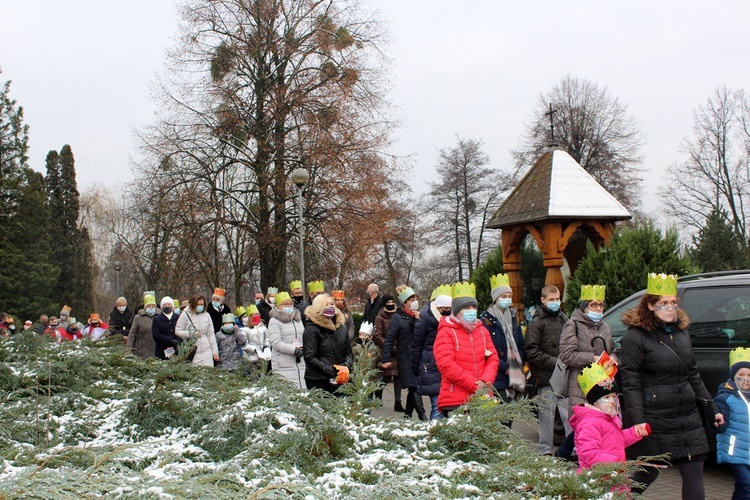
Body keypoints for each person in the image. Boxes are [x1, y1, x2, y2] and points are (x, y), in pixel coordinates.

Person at [620, 273, 723, 499]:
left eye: (673, 303)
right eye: (663, 304)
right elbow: (631, 382)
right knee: (647, 473)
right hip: (656, 416)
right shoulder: (634, 338)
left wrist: (712, 407)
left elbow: (693, 374)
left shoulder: (681, 333)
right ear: (650, 305)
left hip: (687, 415)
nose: (670, 308)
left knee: (694, 471)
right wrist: (637, 420)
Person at [557, 284, 616, 460]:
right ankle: (573, 456)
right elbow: (567, 354)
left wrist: (612, 358)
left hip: (602, 382)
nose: (598, 308)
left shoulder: (605, 326)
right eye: (594, 305)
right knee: (584, 425)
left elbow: (611, 348)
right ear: (584, 306)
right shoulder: (573, 325)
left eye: (601, 305)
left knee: (601, 423)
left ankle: (579, 455)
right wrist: (593, 358)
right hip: (580, 383)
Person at [433, 282, 499, 416]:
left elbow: (493, 358)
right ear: (457, 311)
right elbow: (446, 364)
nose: (472, 310)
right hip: (455, 400)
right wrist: (475, 385)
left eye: (474, 306)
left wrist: (485, 382)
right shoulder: (446, 332)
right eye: (467, 307)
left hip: (483, 399)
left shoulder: (482, 331)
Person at [569, 363, 649, 473]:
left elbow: (616, 440)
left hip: (613, 474)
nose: (612, 402)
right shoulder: (590, 422)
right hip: (597, 478)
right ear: (594, 402)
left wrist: (635, 432)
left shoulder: (609, 418)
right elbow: (588, 453)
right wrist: (614, 463)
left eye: (613, 397)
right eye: (606, 398)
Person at [525, 284, 572, 456]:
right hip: (545, 375)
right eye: (552, 300)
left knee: (568, 414)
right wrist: (555, 362)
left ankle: (571, 448)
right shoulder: (536, 323)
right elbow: (531, 351)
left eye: (558, 299)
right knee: (547, 415)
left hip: (564, 375)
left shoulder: (564, 319)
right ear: (543, 300)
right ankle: (544, 449)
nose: (556, 302)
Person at [381, 285, 427, 420]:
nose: (414, 301)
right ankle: (423, 417)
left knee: (414, 386)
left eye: (415, 298)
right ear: (404, 303)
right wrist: (385, 359)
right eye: (411, 299)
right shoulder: (397, 318)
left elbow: (423, 335)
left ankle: (407, 415)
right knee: (414, 386)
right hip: (404, 357)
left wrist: (419, 321)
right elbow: (389, 338)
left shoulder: (419, 316)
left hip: (417, 357)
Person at [480, 273, 526, 403]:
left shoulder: (514, 318)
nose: (508, 299)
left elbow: (521, 345)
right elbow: (487, 349)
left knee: (510, 416)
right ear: (496, 298)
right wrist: (505, 367)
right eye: (504, 296)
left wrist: (518, 363)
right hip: (498, 375)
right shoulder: (486, 321)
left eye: (509, 296)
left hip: (515, 374)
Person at [410, 284, 452, 420]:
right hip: (430, 365)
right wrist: (416, 368)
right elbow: (416, 346)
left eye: (449, 309)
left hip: (447, 365)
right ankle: (434, 435)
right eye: (443, 309)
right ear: (437, 307)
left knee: (445, 405)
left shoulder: (450, 320)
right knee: (437, 404)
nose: (446, 311)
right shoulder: (424, 322)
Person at [716, 347, 750, 500]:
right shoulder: (726, 397)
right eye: (741, 375)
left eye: (749, 375)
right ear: (733, 377)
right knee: (746, 483)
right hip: (734, 450)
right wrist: (717, 422)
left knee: (744, 486)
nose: (745, 379)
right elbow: (719, 423)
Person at [302, 293, 353, 394]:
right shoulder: (312, 329)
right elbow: (309, 356)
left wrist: (345, 366)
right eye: (326, 304)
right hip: (318, 380)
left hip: (341, 379)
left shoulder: (341, 327)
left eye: (331, 303)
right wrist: (330, 370)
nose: (331, 306)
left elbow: (348, 351)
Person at [268, 291, 306, 389]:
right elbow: (275, 342)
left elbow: (303, 336)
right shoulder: (274, 321)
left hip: (299, 361)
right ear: (278, 306)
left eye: (290, 304)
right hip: (283, 362)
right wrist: (293, 350)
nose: (288, 306)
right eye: (284, 304)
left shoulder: (297, 320)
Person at [374, 294, 403, 411]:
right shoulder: (379, 318)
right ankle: (379, 391)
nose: (391, 304)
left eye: (392, 301)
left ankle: (398, 402)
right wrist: (389, 346)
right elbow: (378, 335)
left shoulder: (398, 315)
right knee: (386, 376)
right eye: (388, 302)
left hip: (398, 350)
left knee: (398, 377)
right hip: (386, 350)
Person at [175, 293, 220, 367]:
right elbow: (177, 331)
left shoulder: (207, 315)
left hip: (207, 352)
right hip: (193, 351)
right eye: (198, 305)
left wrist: (215, 353)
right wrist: (191, 334)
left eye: (202, 305)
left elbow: (211, 334)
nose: (200, 306)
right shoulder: (185, 315)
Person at [240, 302, 271, 375]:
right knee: (254, 377)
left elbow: (267, 339)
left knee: (263, 376)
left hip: (263, 358)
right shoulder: (245, 330)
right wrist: (255, 349)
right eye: (254, 314)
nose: (257, 316)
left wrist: (266, 347)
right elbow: (244, 345)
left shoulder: (263, 328)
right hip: (251, 359)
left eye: (258, 314)